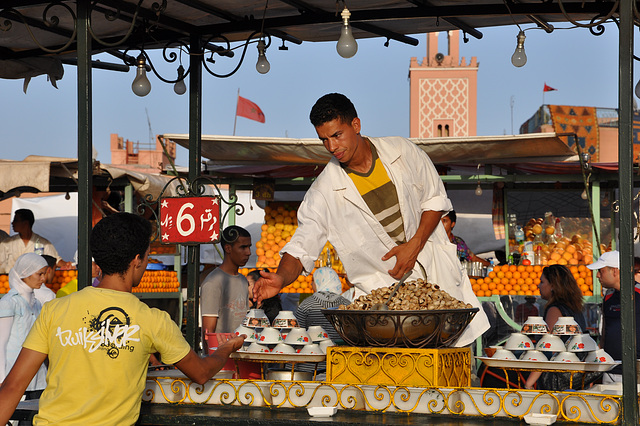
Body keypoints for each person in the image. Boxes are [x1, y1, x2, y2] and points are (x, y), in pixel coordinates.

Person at [252, 93, 488, 347]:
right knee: (396, 375)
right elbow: (302, 246)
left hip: (437, 281)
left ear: (356, 125)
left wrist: (415, 244)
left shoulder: (402, 151)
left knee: (447, 372)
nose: (332, 147)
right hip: (385, 300)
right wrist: (281, 277)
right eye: (324, 140)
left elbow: (435, 200)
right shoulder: (324, 191)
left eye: (337, 135)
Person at [0, 213, 245, 425]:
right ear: (137, 260)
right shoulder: (152, 320)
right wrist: (224, 350)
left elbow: (12, 387)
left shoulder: (55, 310)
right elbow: (201, 373)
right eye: (148, 256)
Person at [525, 265, 588, 390]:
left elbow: (548, 348)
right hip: (577, 375)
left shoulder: (555, 310)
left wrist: (529, 382)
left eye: (542, 282)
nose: (539, 286)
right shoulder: (575, 308)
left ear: (553, 285)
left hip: (559, 378)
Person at [0, 254, 49, 403]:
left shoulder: (37, 303)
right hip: (15, 377)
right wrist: (2, 378)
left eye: (44, 274)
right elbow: (1, 343)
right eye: (39, 274)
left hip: (38, 376)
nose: (43, 279)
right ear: (25, 273)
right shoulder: (9, 302)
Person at [587, 250, 640, 383]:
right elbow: (605, 333)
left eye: (601, 271)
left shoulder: (639, 294)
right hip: (610, 370)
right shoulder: (608, 297)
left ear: (615, 271)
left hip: (636, 372)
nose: (598, 275)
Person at [200, 226, 252, 350]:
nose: (248, 252)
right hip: (221, 357)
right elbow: (208, 333)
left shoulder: (243, 280)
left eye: (249, 247)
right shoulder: (213, 282)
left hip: (242, 353)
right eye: (243, 247)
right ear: (228, 248)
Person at [0, 209, 69, 274]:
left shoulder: (43, 243)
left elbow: (55, 260)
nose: (12, 223)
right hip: (10, 283)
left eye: (16, 220)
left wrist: (67, 265)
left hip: (35, 284)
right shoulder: (7, 243)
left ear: (26, 223)